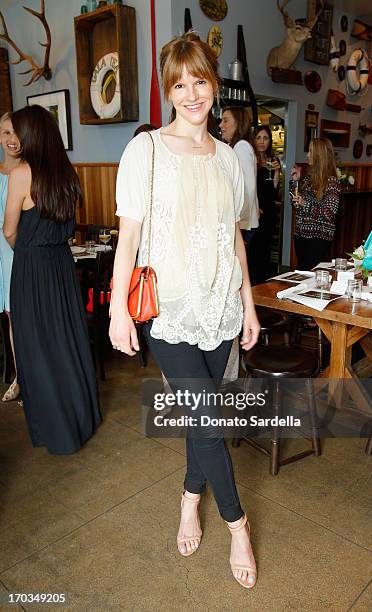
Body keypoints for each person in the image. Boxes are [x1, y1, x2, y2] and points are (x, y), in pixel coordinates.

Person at [110, 32, 260, 589]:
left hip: (220, 307)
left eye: (200, 81)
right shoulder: (144, 150)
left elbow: (236, 239)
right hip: (169, 311)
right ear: (168, 89)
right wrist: (116, 312)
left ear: (213, 83)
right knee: (209, 421)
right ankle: (237, 524)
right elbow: (128, 240)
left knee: (201, 423)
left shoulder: (228, 159)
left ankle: (187, 502)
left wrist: (248, 305)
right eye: (179, 83)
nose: (191, 94)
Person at [4, 105, 101, 454]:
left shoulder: (21, 174)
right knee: (66, 342)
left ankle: (56, 431)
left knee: (36, 349)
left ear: (31, 135)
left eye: (17, 132)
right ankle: (80, 419)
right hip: (61, 264)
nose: (13, 139)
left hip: (31, 267)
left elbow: (10, 231)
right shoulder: (67, 173)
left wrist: (28, 250)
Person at [290, 138, 340, 270]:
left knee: (310, 275)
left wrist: (305, 204)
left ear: (320, 155)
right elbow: (295, 204)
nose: (307, 155)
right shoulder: (308, 178)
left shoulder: (332, 182)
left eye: (311, 151)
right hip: (301, 236)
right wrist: (295, 182)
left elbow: (329, 213)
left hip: (318, 239)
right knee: (303, 273)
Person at [0, 113, 21, 401]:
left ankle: (26, 376)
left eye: (16, 133)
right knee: (10, 317)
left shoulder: (31, 172)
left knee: (23, 317)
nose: (12, 139)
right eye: (6, 133)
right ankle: (18, 376)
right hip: (3, 254)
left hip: (22, 252)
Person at [219, 107, 259, 243]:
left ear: (238, 123)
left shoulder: (241, 146)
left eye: (225, 121)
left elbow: (248, 187)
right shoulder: (238, 146)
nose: (221, 125)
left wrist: (240, 221)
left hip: (242, 223)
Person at [252, 125, 281, 283]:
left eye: (266, 138)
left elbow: (275, 188)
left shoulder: (273, 160)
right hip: (256, 209)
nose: (262, 142)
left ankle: (263, 281)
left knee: (266, 248)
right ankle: (255, 282)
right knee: (255, 248)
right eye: (259, 138)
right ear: (253, 139)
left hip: (269, 209)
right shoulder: (251, 159)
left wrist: (277, 172)